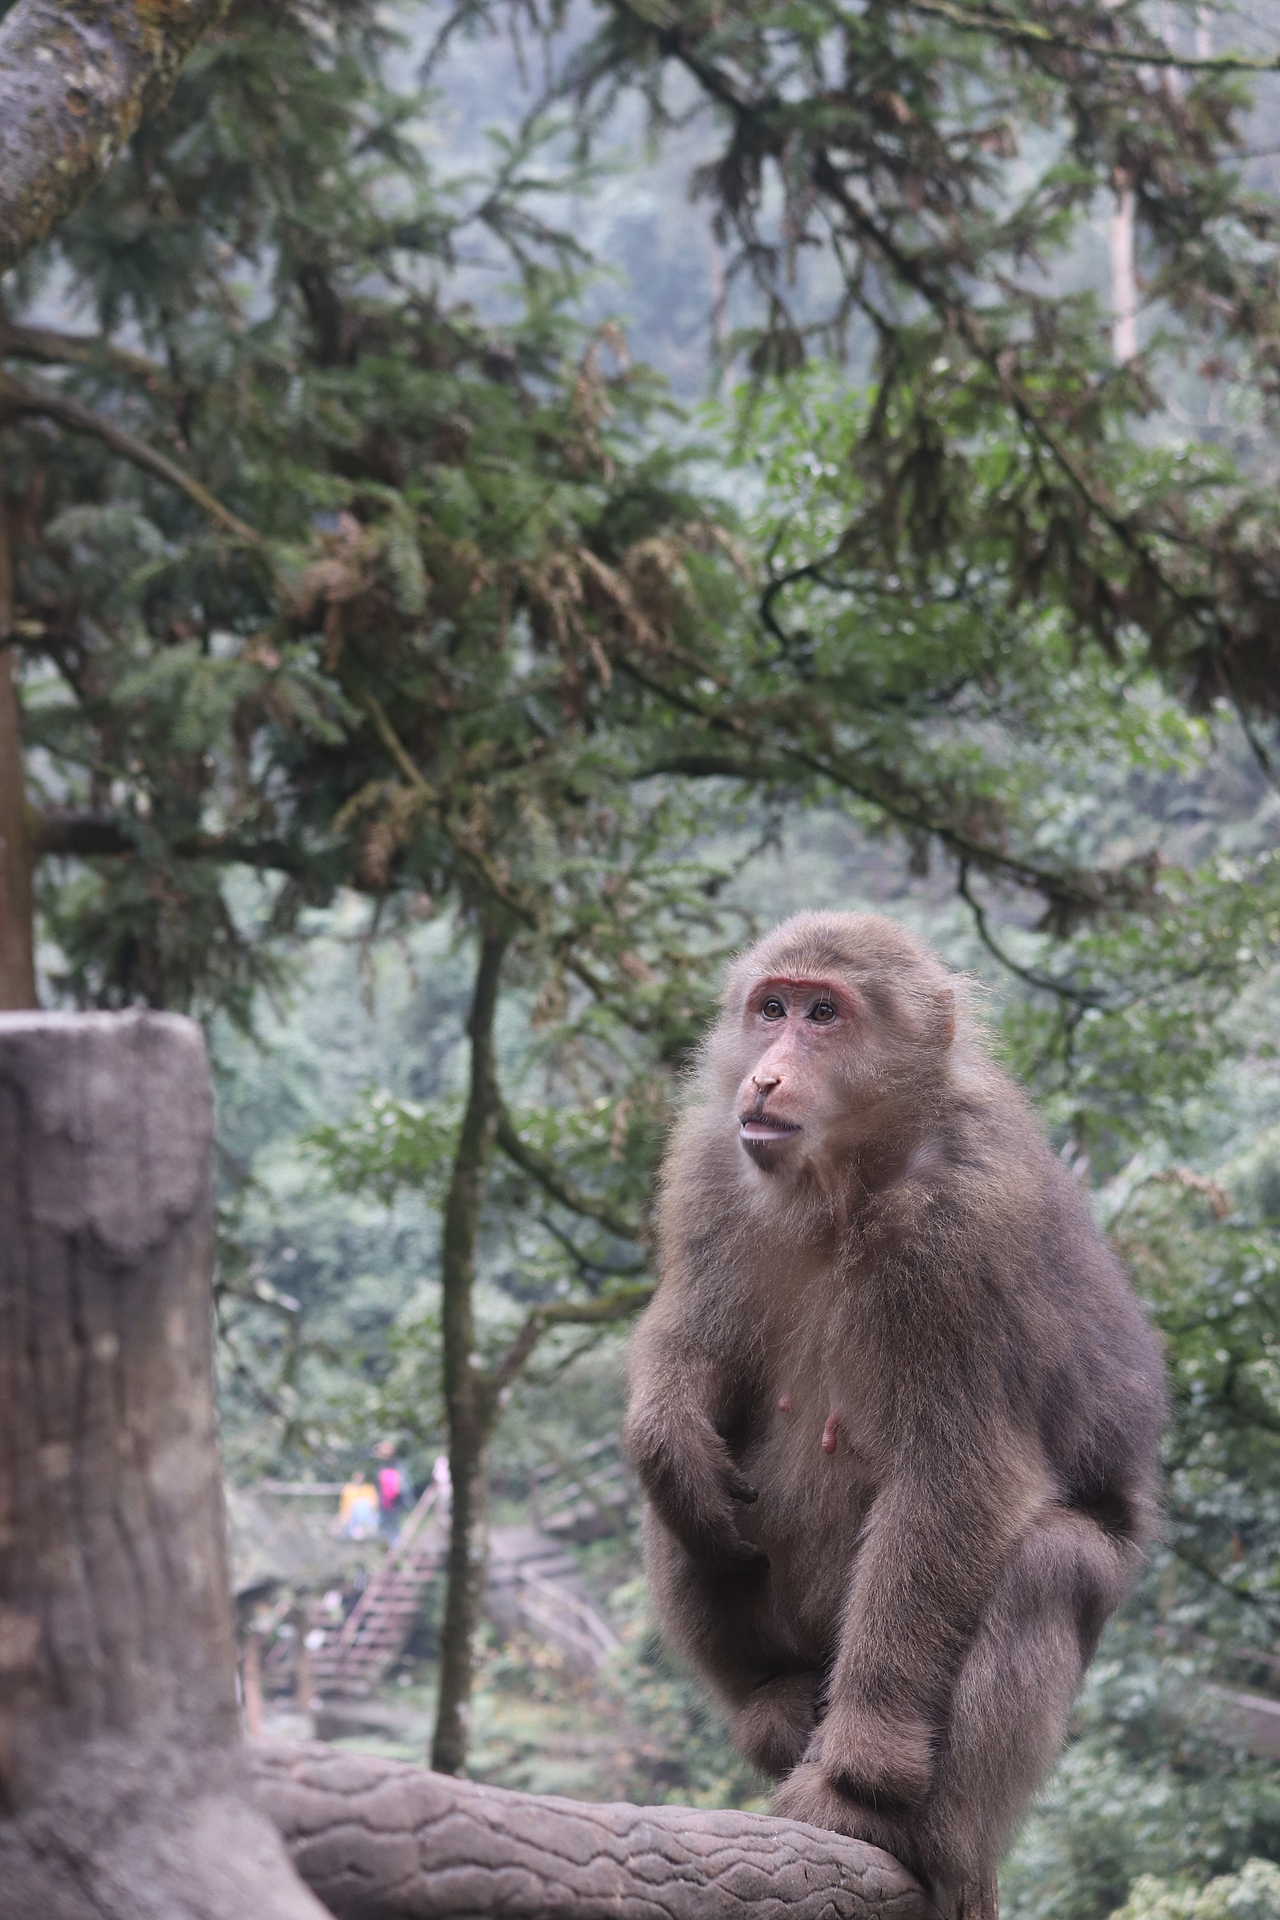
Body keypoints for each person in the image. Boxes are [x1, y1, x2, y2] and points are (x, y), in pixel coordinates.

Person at [372, 1438, 413, 1538]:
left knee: (393, 1526)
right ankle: (387, 1546)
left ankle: (395, 1547)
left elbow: (404, 1485)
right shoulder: (381, 1466)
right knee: (384, 1526)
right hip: (384, 1502)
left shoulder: (397, 1466)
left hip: (395, 1501)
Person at [332, 1469, 379, 1540]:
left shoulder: (369, 1488)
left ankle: (361, 1528)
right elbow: (344, 1506)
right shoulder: (348, 1488)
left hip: (367, 1515)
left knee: (361, 1505)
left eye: (360, 1476)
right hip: (350, 1515)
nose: (358, 1478)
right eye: (356, 1476)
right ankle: (357, 1529)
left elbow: (374, 1504)